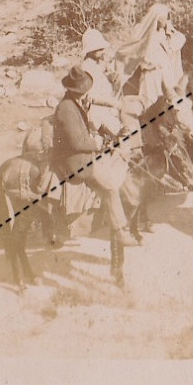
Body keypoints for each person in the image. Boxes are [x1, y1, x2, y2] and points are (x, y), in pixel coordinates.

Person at [50, 66, 133, 261]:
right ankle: (120, 229)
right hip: (74, 160)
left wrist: (92, 119)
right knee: (110, 186)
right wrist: (95, 143)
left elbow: (85, 128)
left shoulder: (75, 104)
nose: (87, 94)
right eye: (84, 91)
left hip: (80, 153)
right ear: (76, 91)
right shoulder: (66, 109)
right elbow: (77, 142)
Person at [78, 28, 123, 136]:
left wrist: (113, 79)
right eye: (100, 49)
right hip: (97, 111)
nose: (103, 51)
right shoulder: (85, 68)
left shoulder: (99, 65)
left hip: (110, 108)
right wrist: (111, 103)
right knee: (123, 132)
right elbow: (89, 96)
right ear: (91, 51)